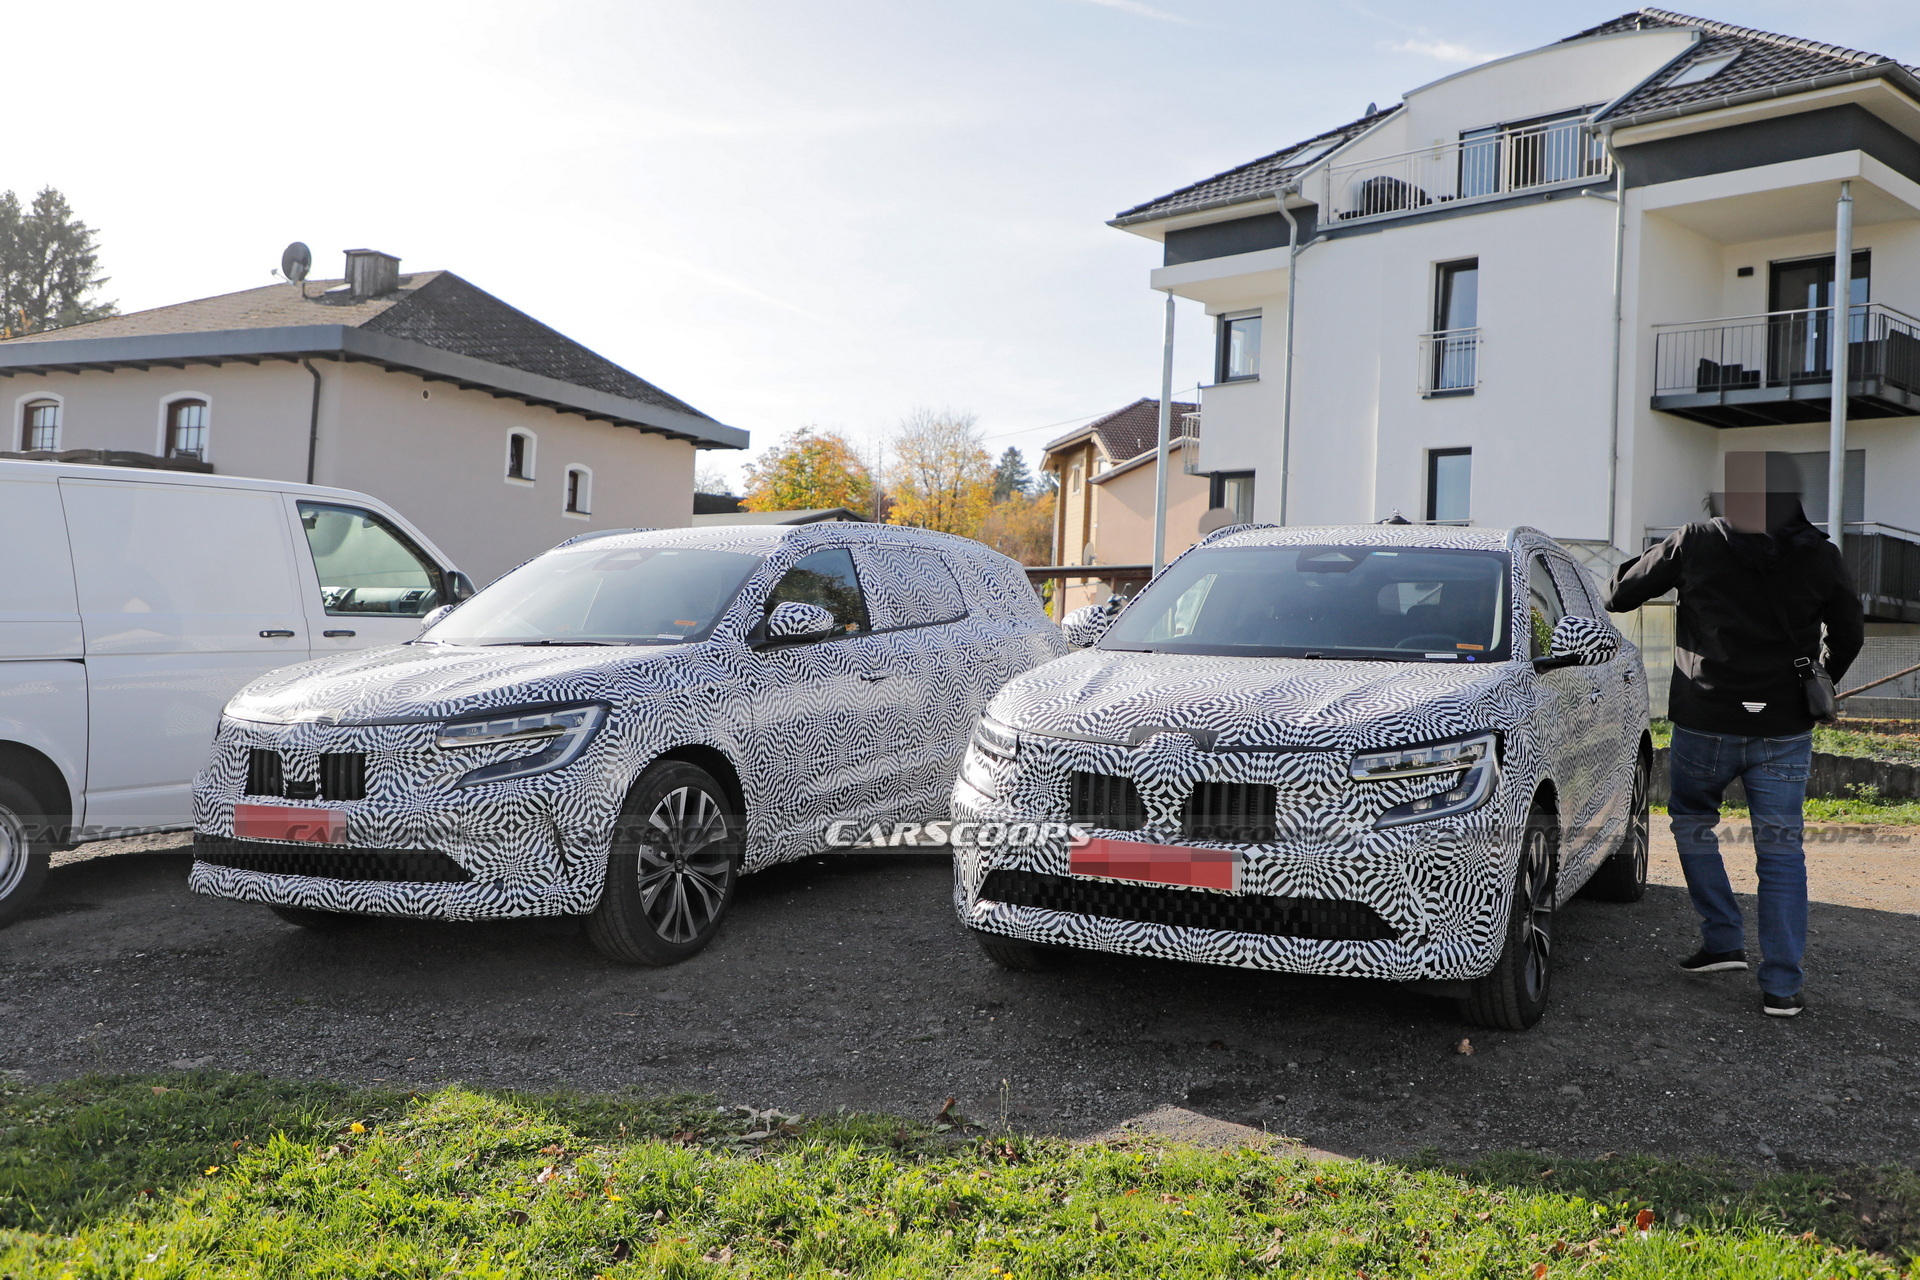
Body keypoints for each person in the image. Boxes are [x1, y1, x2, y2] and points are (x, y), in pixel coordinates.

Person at [1605, 452, 1863, 1018]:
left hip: (1707, 717)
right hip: (1783, 728)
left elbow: (1620, 595)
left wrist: (1639, 567)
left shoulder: (1695, 541)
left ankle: (1722, 938)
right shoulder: (1821, 555)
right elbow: (1849, 633)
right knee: (1781, 850)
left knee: (1693, 820)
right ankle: (1782, 986)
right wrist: (1818, 679)